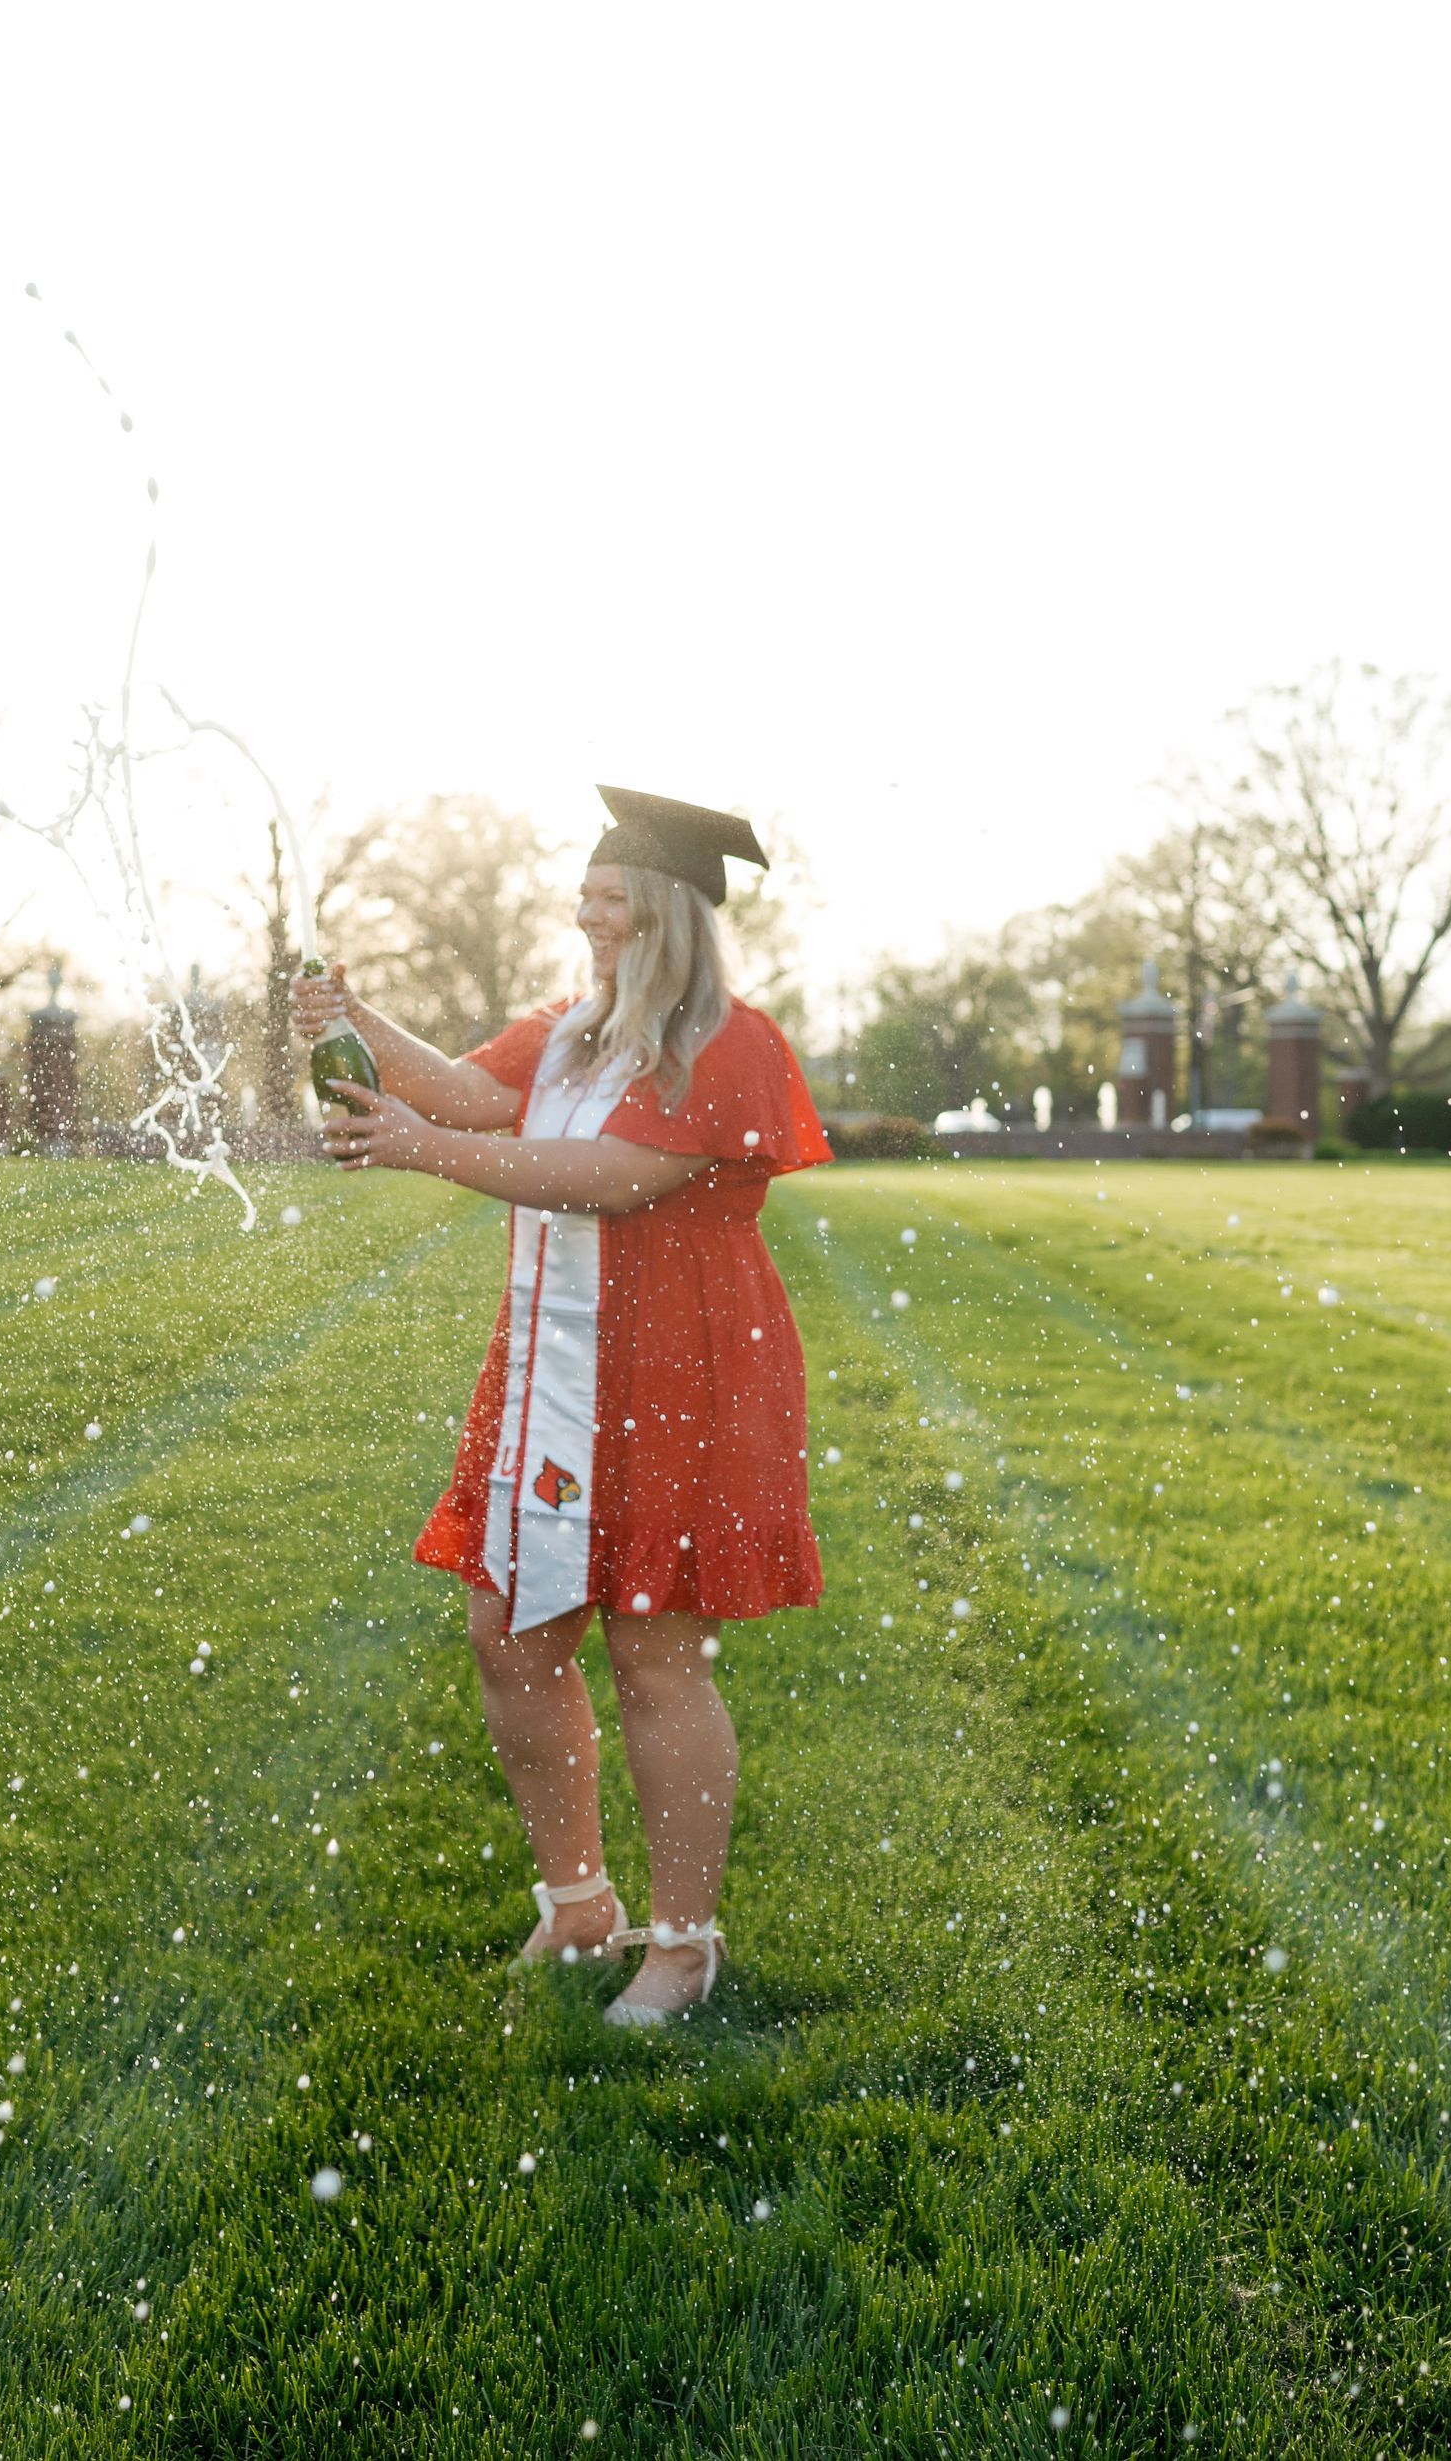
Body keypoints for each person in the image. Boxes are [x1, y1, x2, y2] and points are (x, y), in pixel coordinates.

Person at [290, 786, 830, 2024]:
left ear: (667, 915)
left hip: (681, 1375)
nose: (585, 914)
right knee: (511, 1632)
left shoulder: (728, 1043)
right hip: (553, 1371)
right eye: (583, 896)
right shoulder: (575, 1033)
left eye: (610, 900)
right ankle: (581, 1908)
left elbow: (614, 1179)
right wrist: (353, 1016)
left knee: (652, 1650)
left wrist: (423, 1150)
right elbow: (475, 1093)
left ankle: (683, 1945)